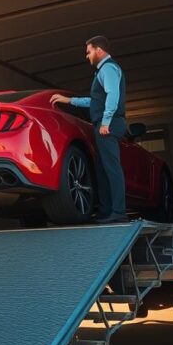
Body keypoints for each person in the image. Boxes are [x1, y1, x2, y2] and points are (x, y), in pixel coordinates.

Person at [50, 36, 127, 223]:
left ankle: (118, 212)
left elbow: (113, 96)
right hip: (102, 123)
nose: (87, 56)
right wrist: (69, 101)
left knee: (112, 168)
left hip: (107, 124)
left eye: (89, 51)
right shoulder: (102, 72)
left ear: (99, 50)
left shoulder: (108, 68)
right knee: (102, 169)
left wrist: (106, 123)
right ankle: (106, 211)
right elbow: (95, 101)